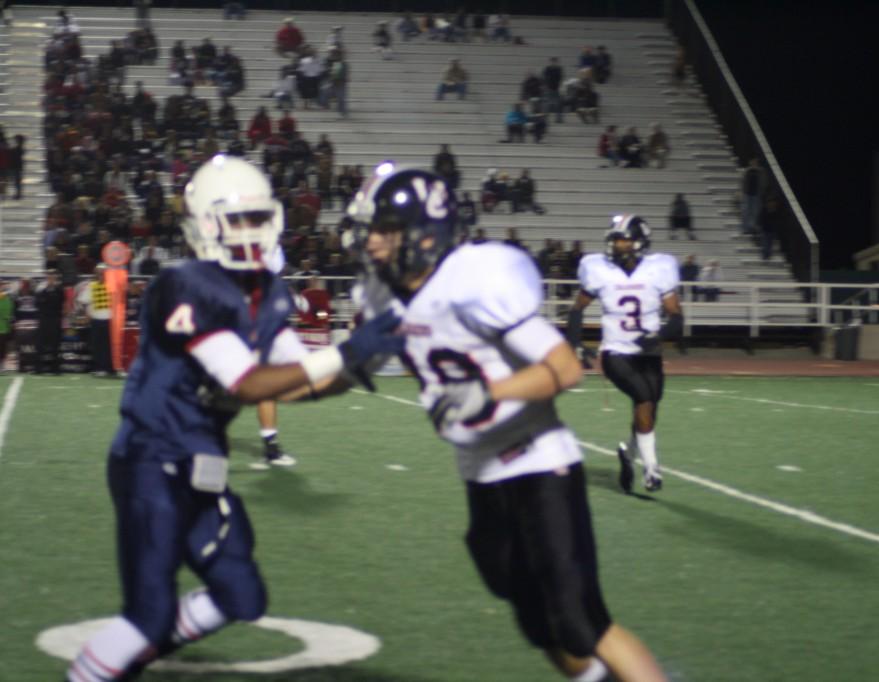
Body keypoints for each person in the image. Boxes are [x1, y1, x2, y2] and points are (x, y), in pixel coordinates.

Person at [64, 156, 403, 682]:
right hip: (150, 459)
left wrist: (364, 362)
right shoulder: (184, 285)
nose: (250, 231)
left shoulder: (267, 293)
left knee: (240, 593)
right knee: (148, 613)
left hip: (202, 461)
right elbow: (243, 382)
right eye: (237, 219)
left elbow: (296, 380)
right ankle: (107, 662)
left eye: (256, 217)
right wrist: (346, 351)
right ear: (205, 223)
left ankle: (136, 655)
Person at [349, 164, 668, 682]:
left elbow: (564, 369)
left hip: (539, 467)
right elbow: (341, 369)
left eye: (383, 229)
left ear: (422, 234)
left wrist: (486, 392)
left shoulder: (471, 282)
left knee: (583, 622)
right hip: (481, 477)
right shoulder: (389, 296)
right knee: (542, 628)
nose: (372, 241)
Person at [566, 215, 682, 493]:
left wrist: (658, 336)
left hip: (648, 353)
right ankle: (652, 469)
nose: (618, 245)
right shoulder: (599, 269)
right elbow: (576, 310)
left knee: (649, 408)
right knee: (643, 398)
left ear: (639, 242)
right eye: (616, 240)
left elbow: (676, 318)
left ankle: (628, 454)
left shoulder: (658, 269)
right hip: (615, 352)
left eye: (625, 240)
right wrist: (576, 344)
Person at [77, 264, 115, 376]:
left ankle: (109, 368)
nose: (100, 275)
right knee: (97, 345)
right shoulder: (91, 286)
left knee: (109, 346)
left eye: (103, 273)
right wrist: (87, 314)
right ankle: (99, 367)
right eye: (98, 273)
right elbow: (82, 301)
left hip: (110, 320)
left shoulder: (112, 286)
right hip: (96, 320)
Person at [34, 269, 65, 375]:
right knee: (40, 345)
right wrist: (47, 290)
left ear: (55, 277)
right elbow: (38, 303)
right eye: (49, 276)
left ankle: (55, 369)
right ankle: (38, 369)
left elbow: (61, 304)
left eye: (53, 276)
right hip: (43, 320)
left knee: (55, 345)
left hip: (55, 320)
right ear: (46, 277)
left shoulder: (59, 290)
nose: (51, 278)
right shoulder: (41, 289)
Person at [740, 157, 765, 234]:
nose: (753, 164)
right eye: (752, 162)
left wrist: (762, 193)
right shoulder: (747, 171)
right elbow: (743, 181)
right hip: (747, 194)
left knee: (755, 212)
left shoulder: (760, 171)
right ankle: (745, 228)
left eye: (755, 162)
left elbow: (763, 183)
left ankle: (753, 228)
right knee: (746, 211)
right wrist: (742, 192)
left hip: (756, 195)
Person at [0, 282, 13, 371]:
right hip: (4, 325)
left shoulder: (6, 298)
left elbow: (8, 311)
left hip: (3, 327)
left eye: (1, 285)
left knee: (2, 347)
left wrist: (6, 318)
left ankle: (2, 365)